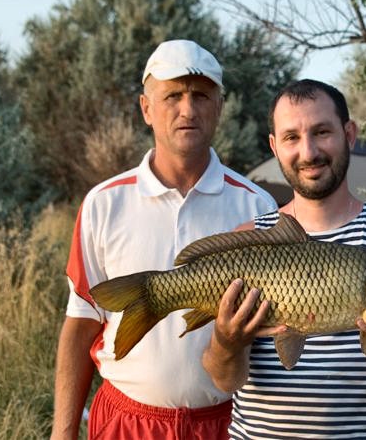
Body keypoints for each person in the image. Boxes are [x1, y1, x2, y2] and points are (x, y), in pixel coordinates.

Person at [50, 40, 276, 439]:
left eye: (202, 96)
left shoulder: (257, 205)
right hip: (126, 421)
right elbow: (82, 322)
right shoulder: (104, 203)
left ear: (220, 107)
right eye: (172, 95)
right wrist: (62, 432)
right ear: (146, 108)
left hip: (228, 423)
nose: (188, 109)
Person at [201, 79, 366, 439]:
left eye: (322, 132)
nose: (309, 151)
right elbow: (225, 380)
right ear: (274, 146)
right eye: (291, 138)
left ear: (349, 134)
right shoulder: (247, 244)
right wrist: (226, 342)